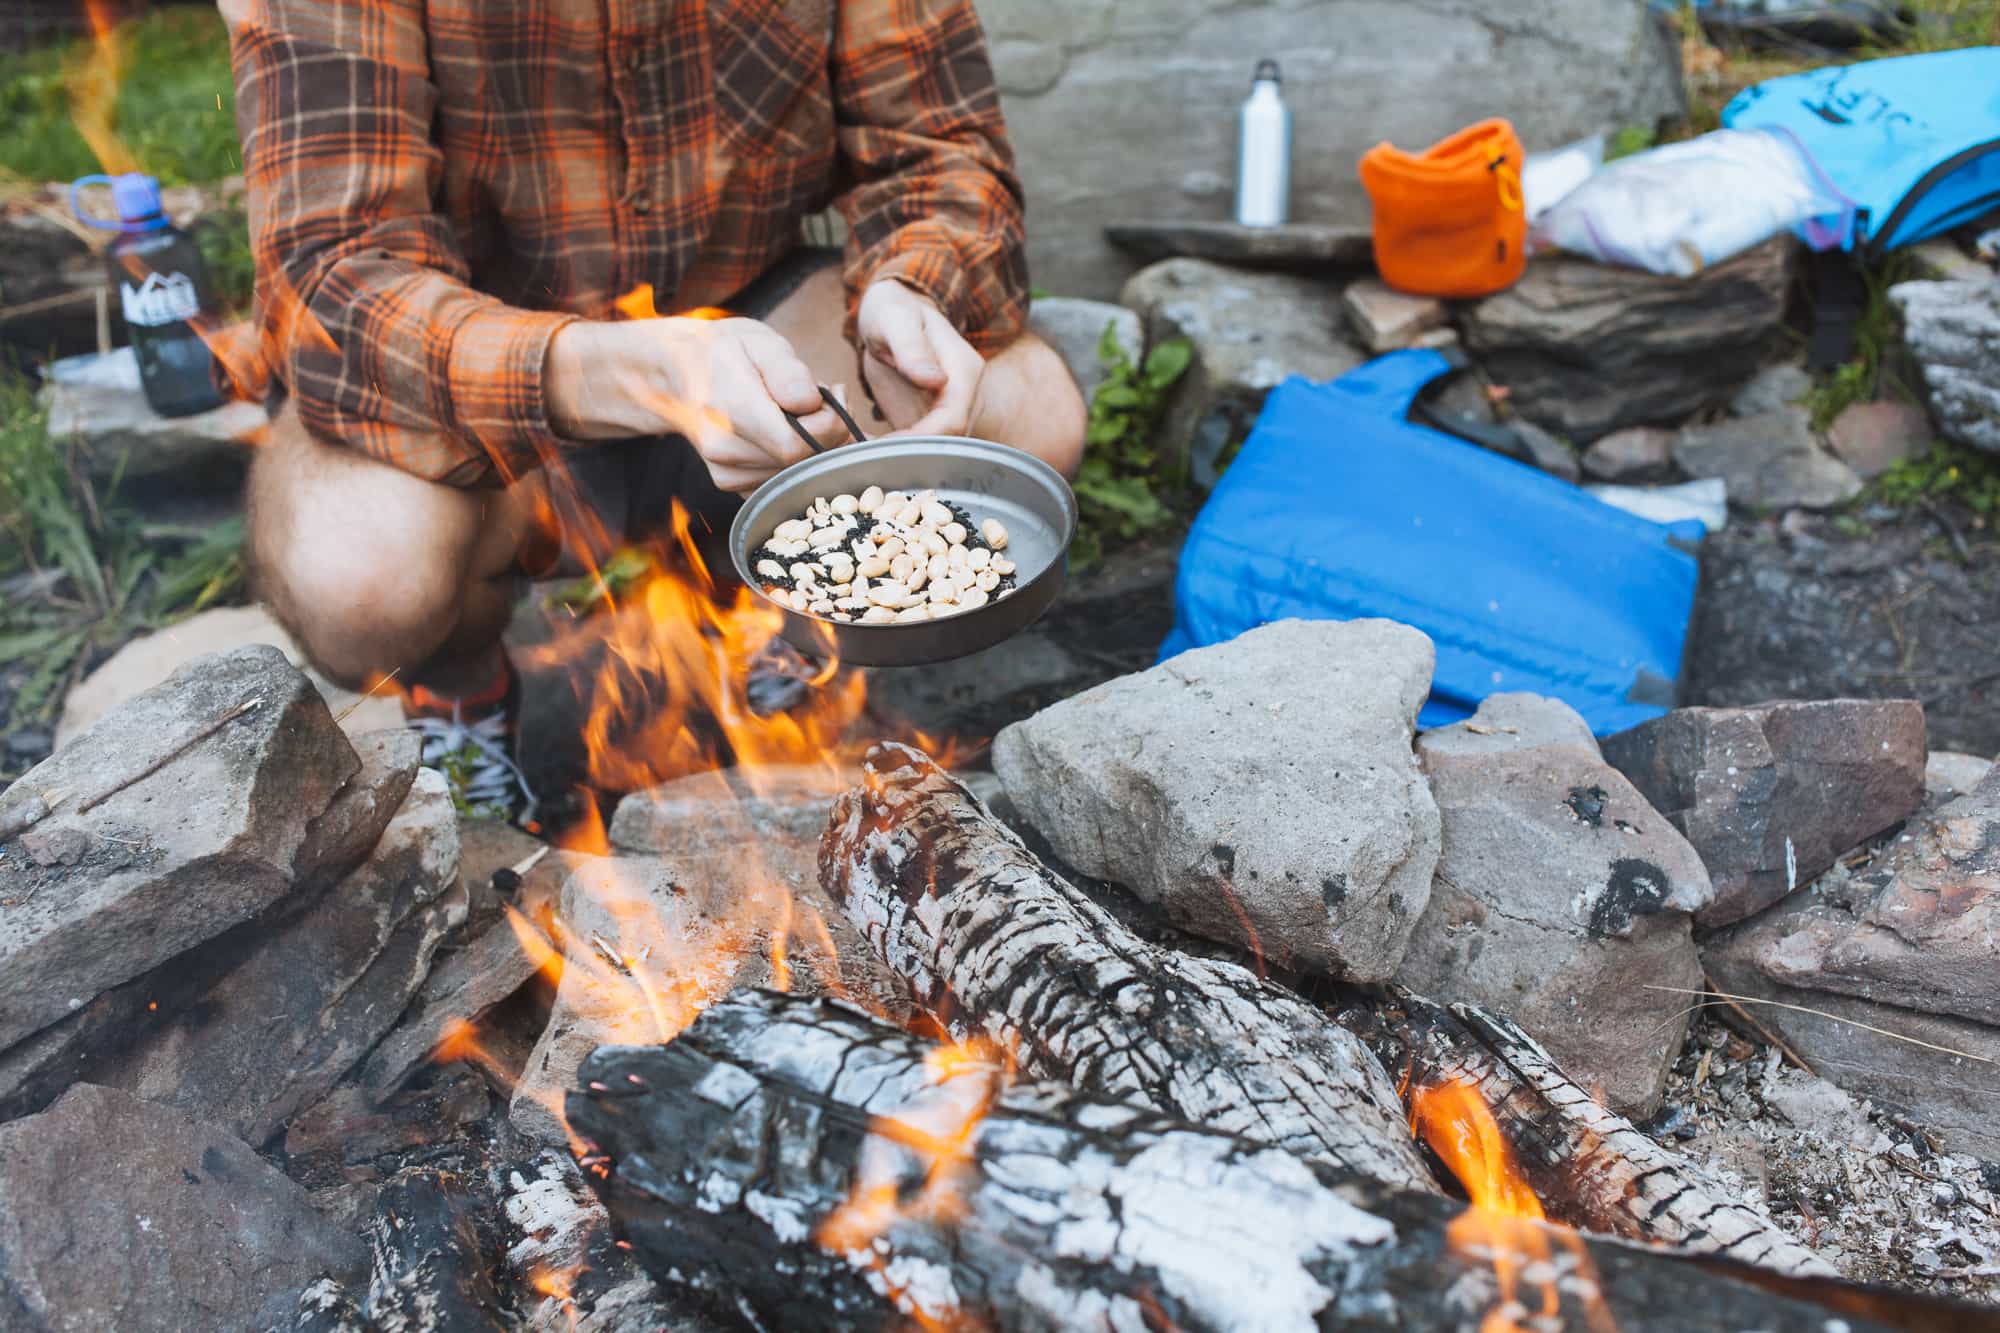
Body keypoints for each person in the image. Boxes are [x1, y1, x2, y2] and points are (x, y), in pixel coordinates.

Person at [222, 0, 1086, 819]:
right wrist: (615, 371)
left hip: (756, 325)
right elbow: (330, 278)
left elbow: (942, 150)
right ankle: (460, 695)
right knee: (361, 569)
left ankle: (776, 622)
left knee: (1028, 410)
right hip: (480, 384)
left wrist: (913, 284)